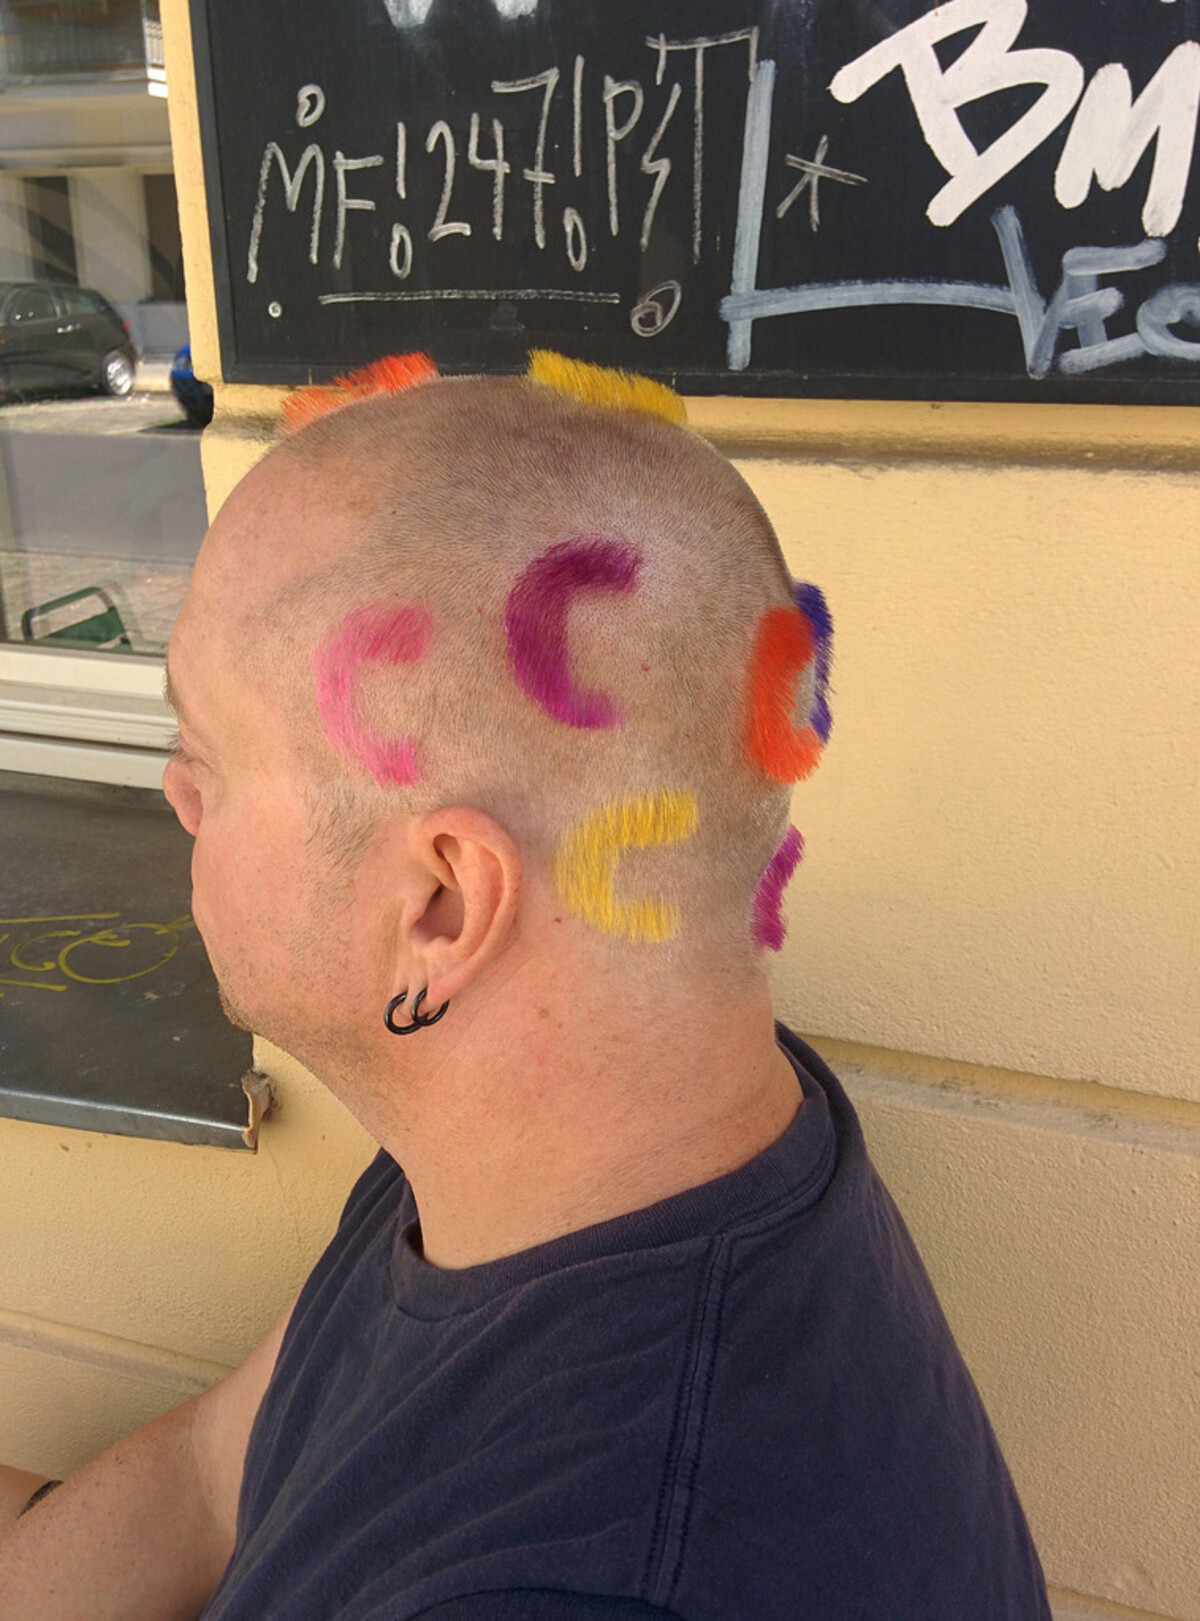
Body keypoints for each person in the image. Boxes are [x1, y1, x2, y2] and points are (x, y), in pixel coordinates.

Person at [0, 357, 1052, 1619]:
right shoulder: (564, 1145)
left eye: (208, 759)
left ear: (439, 907)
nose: (176, 797)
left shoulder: (600, 1573)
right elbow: (214, 1481)